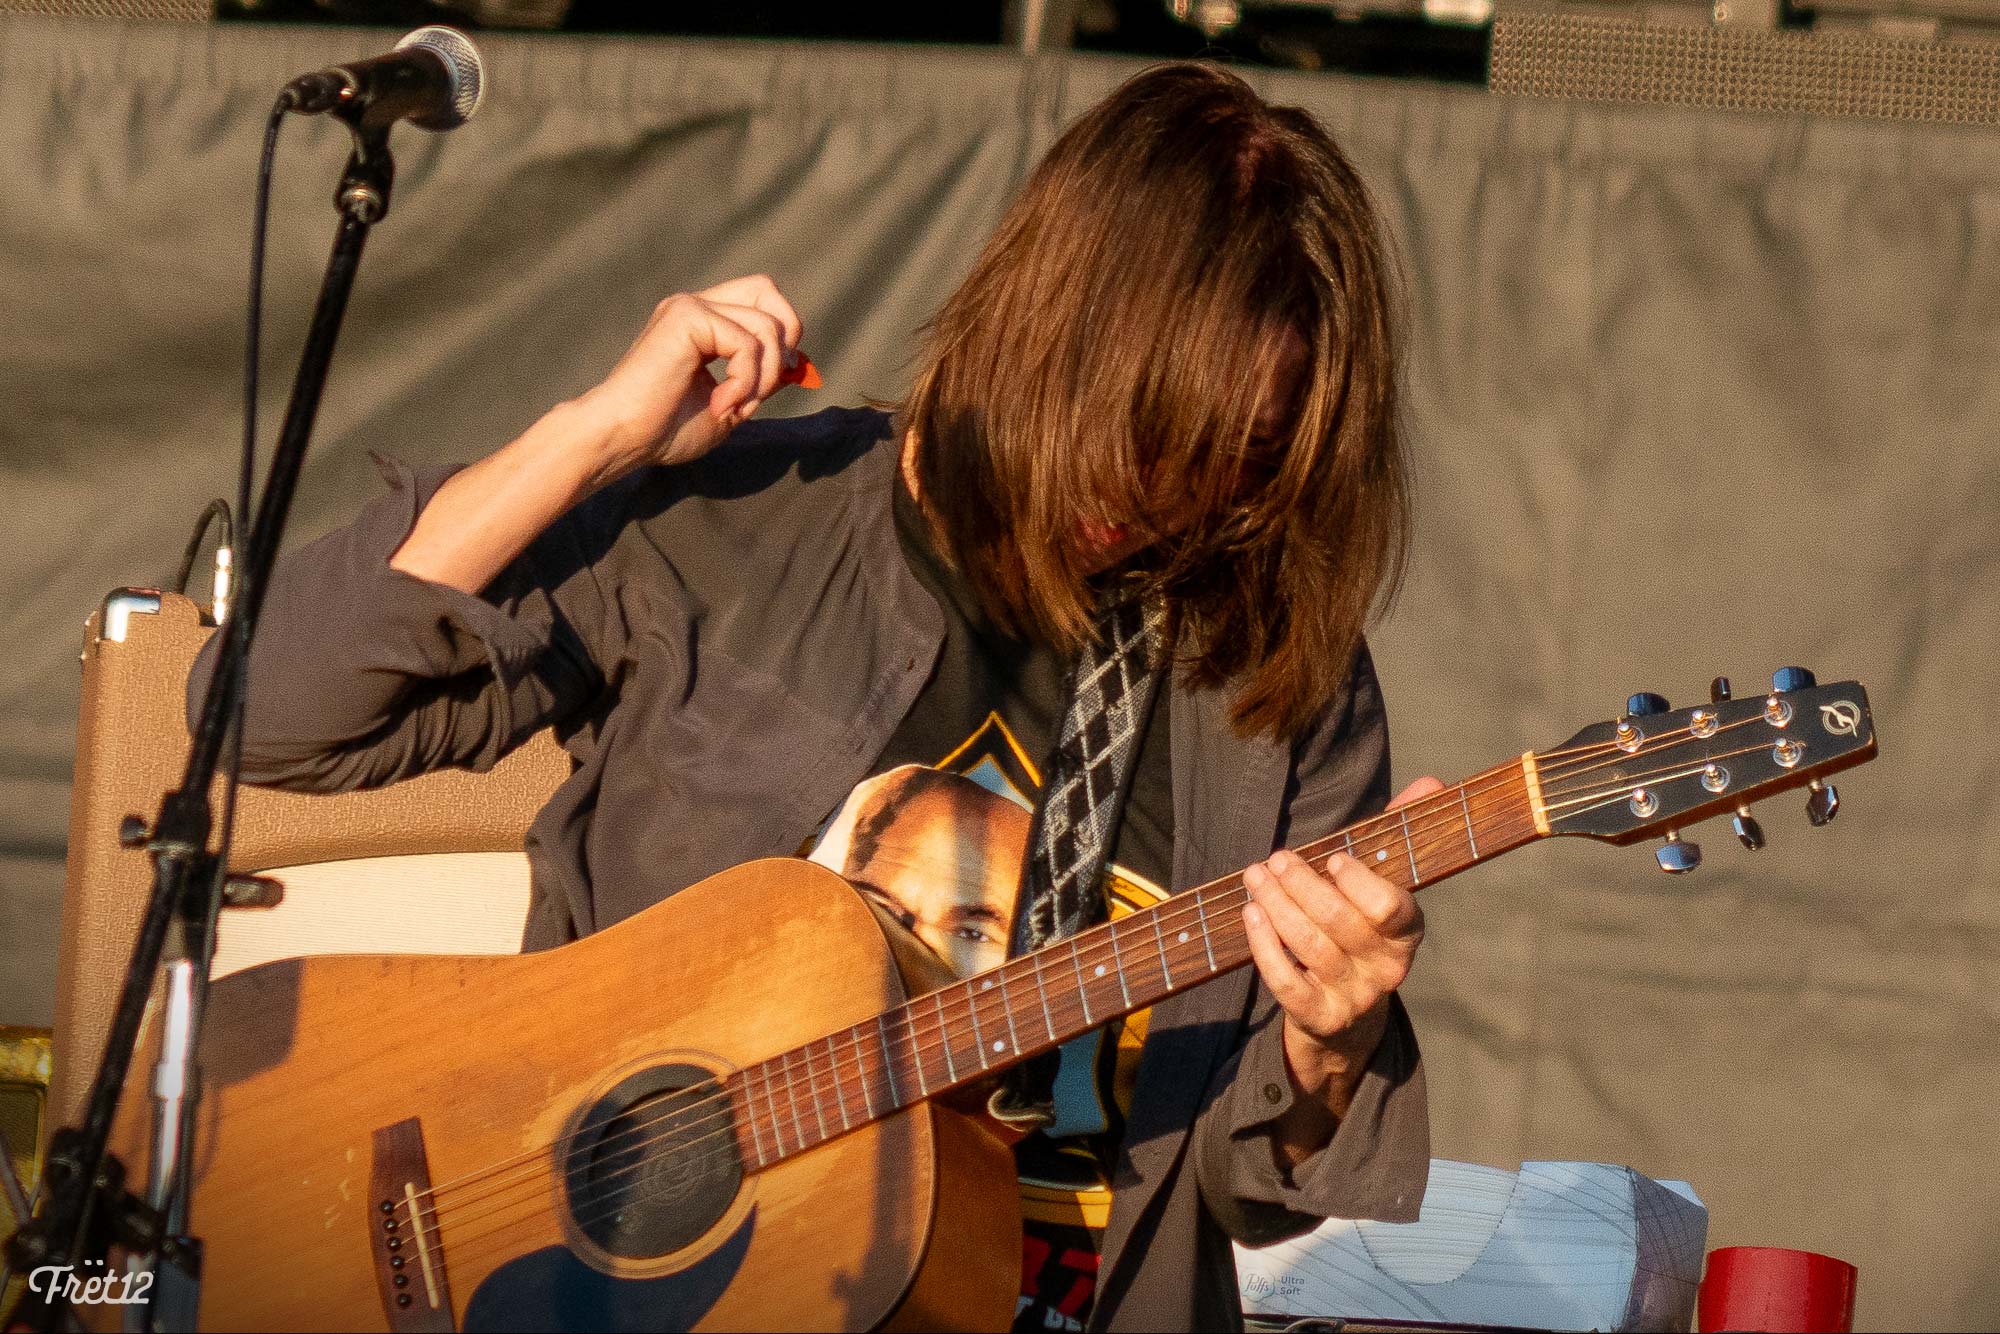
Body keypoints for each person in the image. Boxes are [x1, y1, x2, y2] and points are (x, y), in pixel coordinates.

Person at [198, 60, 1438, 1332]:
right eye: (1134, 422)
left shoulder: (1279, 678)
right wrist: (593, 440)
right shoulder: (740, 522)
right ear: (1036, 322)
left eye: (1230, 456)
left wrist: (1327, 1050)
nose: (1159, 493)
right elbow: (258, 711)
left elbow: (1251, 1184)